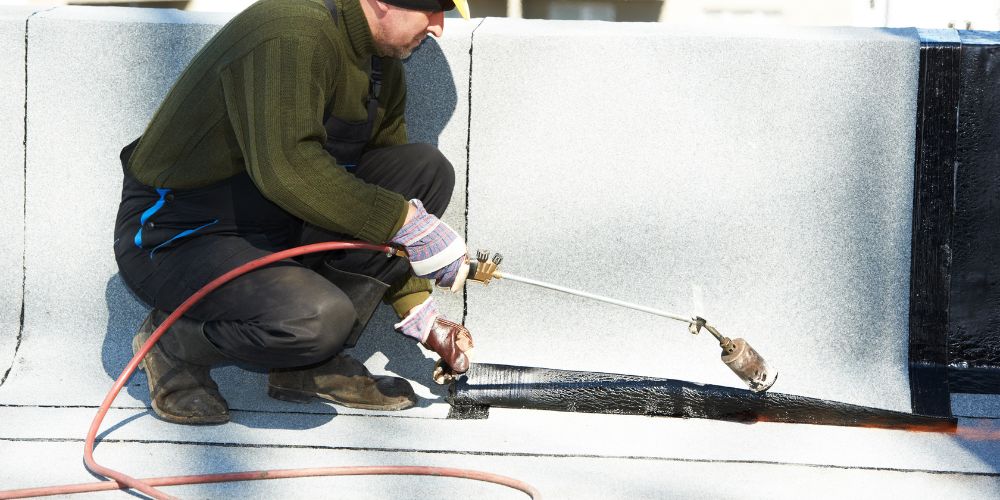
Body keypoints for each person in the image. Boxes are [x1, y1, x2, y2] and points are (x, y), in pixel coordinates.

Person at [112, 0, 474, 425]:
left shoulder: (379, 62)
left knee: (423, 169)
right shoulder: (291, 31)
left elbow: (388, 202)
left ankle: (308, 368)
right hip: (182, 234)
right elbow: (287, 168)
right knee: (316, 320)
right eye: (432, 9)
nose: (438, 28)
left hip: (274, 224)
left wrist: (419, 311)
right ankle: (173, 343)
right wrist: (409, 225)